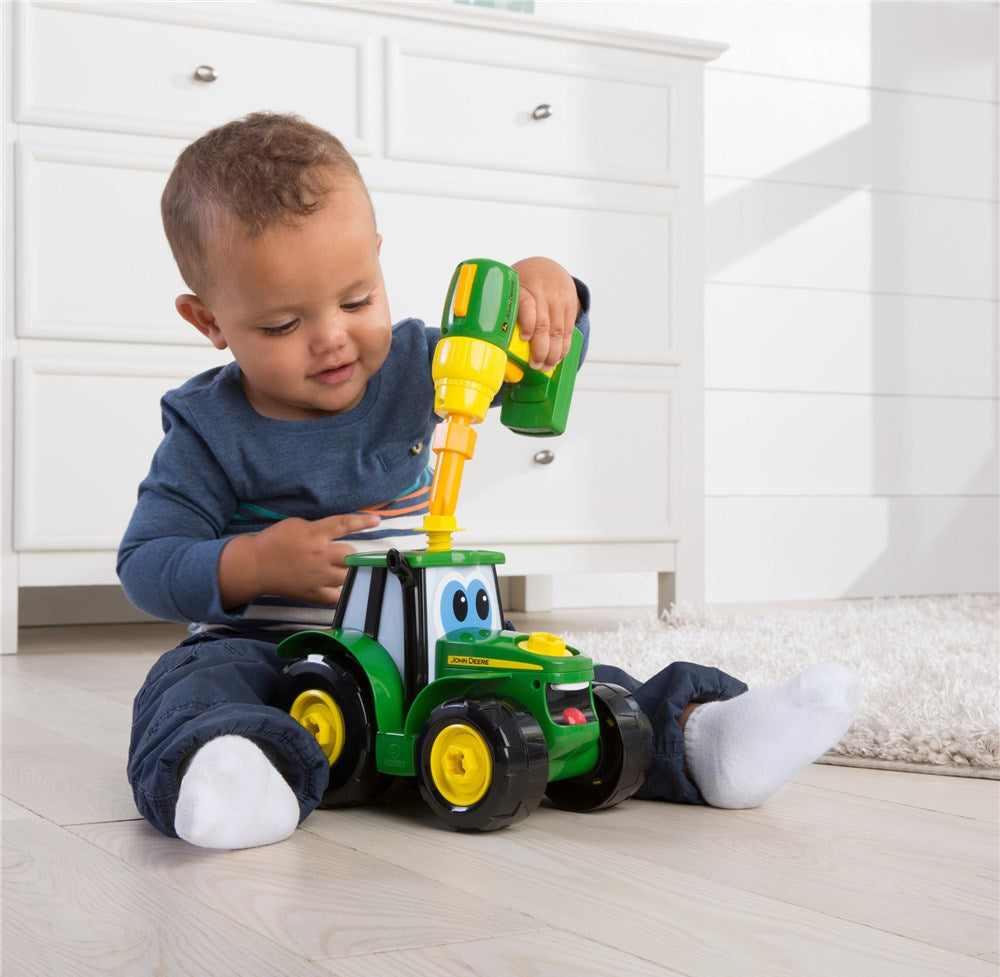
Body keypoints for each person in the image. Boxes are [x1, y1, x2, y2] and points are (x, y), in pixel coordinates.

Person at [120, 112, 860, 851]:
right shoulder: (206, 427)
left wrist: (544, 294)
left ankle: (703, 742)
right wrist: (250, 563)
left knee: (563, 675)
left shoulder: (415, 364)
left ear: (377, 258)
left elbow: (533, 361)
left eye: (356, 300)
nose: (333, 338)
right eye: (282, 325)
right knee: (195, 686)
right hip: (269, 647)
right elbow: (147, 563)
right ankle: (230, 772)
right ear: (209, 320)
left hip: (436, 636)